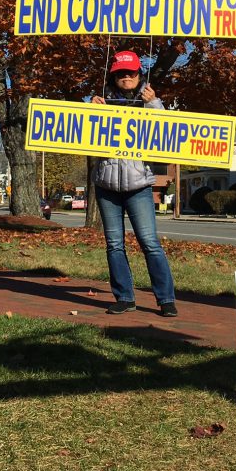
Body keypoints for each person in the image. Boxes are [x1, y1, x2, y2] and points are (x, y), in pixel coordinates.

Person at [90, 50, 178, 317]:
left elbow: (168, 135)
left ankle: (166, 300)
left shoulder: (152, 103)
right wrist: (90, 111)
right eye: (121, 73)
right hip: (106, 187)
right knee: (114, 244)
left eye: (131, 73)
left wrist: (154, 105)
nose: (126, 77)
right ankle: (124, 297)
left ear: (140, 75)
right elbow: (81, 137)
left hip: (139, 184)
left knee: (150, 242)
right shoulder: (99, 103)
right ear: (113, 76)